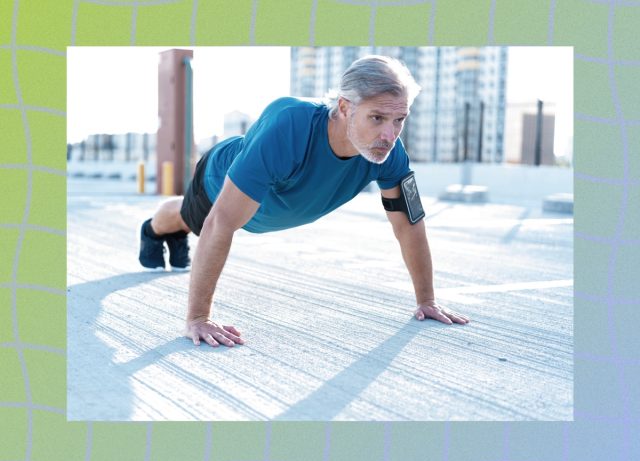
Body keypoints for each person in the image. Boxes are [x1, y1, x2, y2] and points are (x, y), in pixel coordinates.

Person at [139, 55, 470, 348]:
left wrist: (426, 299)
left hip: (270, 208)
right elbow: (220, 223)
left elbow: (408, 224)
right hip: (218, 182)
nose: (390, 133)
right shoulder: (290, 127)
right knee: (187, 218)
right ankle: (154, 231)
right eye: (377, 118)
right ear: (344, 107)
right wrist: (198, 318)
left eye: (399, 120)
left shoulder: (391, 154)